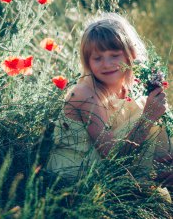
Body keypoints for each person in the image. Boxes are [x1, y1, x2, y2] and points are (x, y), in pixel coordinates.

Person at [47, 13, 172, 190]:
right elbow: (113, 157)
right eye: (97, 58)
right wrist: (148, 117)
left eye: (114, 55)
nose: (106, 64)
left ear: (131, 55)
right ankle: (158, 177)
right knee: (150, 116)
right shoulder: (84, 93)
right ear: (88, 62)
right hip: (76, 176)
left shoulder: (129, 87)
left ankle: (164, 172)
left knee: (157, 113)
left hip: (102, 168)